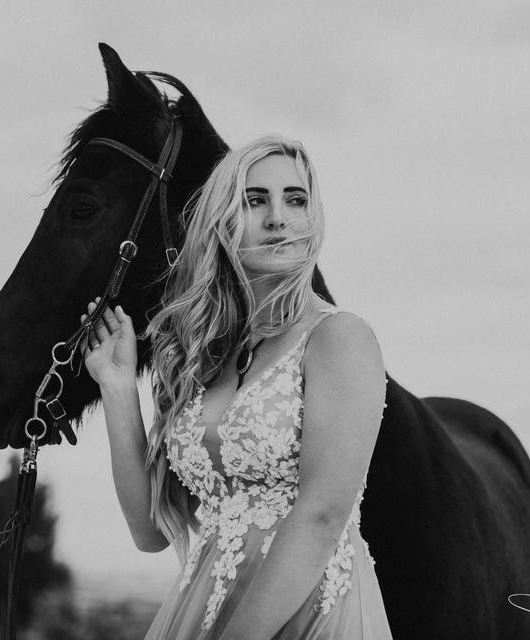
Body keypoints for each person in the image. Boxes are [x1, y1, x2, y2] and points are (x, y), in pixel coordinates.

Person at [79, 136, 393, 639]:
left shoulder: (339, 339)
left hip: (308, 613)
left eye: (295, 199)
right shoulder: (201, 354)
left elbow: (321, 515)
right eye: (255, 200)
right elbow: (148, 531)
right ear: (223, 219)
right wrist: (118, 389)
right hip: (202, 607)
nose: (278, 218)